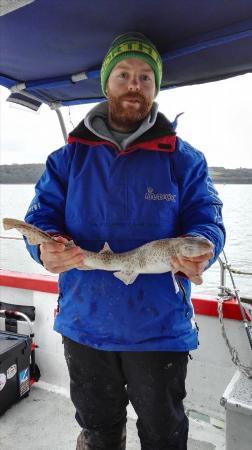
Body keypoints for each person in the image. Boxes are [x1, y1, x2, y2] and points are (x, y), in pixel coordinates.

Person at [24, 32, 225, 450]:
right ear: (107, 84)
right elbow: (41, 217)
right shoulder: (68, 159)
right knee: (99, 432)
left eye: (146, 77)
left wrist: (203, 248)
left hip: (160, 329)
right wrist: (45, 249)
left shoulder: (183, 159)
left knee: (163, 435)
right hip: (84, 324)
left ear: (154, 89)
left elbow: (207, 218)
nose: (135, 84)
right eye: (124, 74)